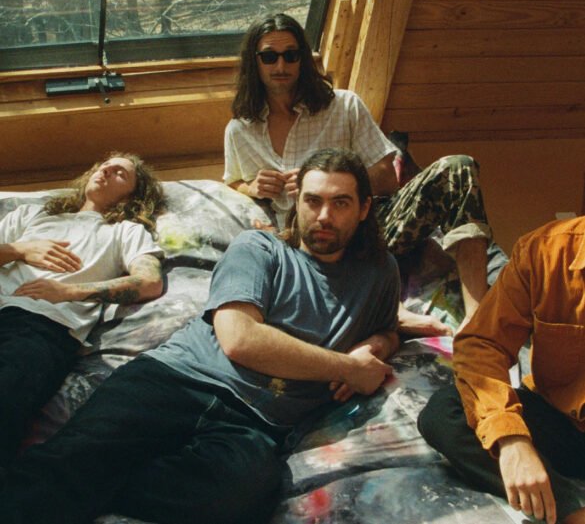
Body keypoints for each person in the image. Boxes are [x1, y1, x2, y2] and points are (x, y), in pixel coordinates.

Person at [0, 148, 401, 524]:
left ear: (365, 208)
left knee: (243, 495)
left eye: (340, 203)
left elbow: (389, 326)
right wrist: (348, 367)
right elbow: (240, 340)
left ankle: (95, 483)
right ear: (297, 203)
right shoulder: (259, 247)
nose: (324, 216)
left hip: (258, 419)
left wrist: (379, 344)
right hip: (176, 378)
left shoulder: (381, 272)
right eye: (313, 201)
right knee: (66, 465)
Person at [224, 12, 492, 332]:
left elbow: (387, 178)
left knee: (457, 167)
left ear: (303, 59)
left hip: (370, 223)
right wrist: (251, 187)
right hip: (309, 243)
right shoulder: (240, 130)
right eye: (269, 57)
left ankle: (478, 319)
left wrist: (334, 183)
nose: (281, 66)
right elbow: (232, 182)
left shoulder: (344, 106)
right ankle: (391, 315)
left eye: (290, 55)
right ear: (254, 61)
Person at [0, 152, 166, 468]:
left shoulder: (124, 231)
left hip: (39, 326)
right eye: (105, 165)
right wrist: (19, 249)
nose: (107, 169)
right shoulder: (32, 215)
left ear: (133, 195)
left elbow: (149, 282)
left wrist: (68, 292)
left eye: (121, 173)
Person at [418, 216, 585, 524]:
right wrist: (511, 438)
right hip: (563, 425)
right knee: (445, 412)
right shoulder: (545, 250)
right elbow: (481, 343)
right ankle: (569, 510)